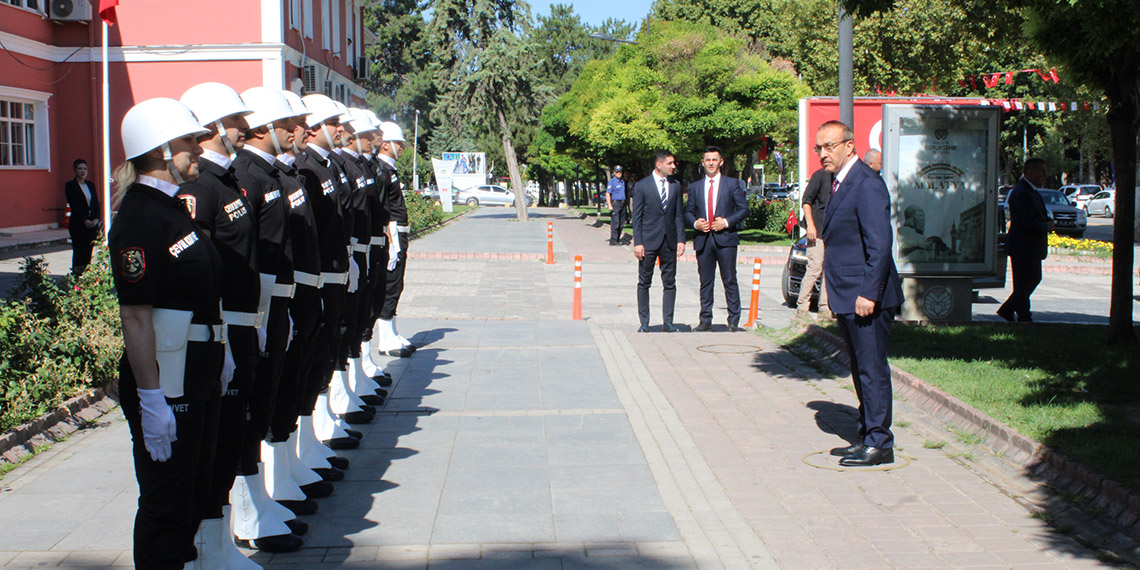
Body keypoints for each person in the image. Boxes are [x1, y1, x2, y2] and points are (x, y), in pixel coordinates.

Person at [108, 97, 224, 568]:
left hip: (193, 371)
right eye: (189, 141)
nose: (198, 148)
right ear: (160, 150)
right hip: (166, 383)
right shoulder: (138, 217)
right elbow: (135, 315)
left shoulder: (173, 208)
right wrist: (152, 400)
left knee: (190, 497)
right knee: (166, 506)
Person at [176, 81, 266, 567]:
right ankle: (209, 546)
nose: (243, 130)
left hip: (240, 322)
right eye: (235, 122)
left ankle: (220, 541)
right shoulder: (198, 189)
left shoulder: (227, 180)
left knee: (232, 434)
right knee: (217, 443)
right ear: (213, 127)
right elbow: (202, 268)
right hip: (220, 326)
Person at [815, 120, 903, 467]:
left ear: (849, 146)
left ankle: (880, 442)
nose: (823, 154)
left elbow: (880, 245)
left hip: (867, 296)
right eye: (819, 148)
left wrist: (869, 293)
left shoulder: (866, 183)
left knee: (872, 369)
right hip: (849, 294)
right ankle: (867, 433)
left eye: (829, 146)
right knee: (860, 368)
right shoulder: (841, 182)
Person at [684, 146, 748, 331]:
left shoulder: (731, 184)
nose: (711, 163)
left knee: (729, 279)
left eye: (714, 159)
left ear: (721, 162)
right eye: (707, 160)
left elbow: (743, 209)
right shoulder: (695, 186)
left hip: (725, 239)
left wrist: (726, 222)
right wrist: (696, 223)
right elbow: (688, 212)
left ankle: (734, 320)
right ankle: (705, 320)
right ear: (702, 163)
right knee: (705, 281)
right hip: (703, 239)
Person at [374, 121, 416, 357]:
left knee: (396, 283)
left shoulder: (389, 170)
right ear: (386, 144)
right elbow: (384, 210)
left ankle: (392, 332)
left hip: (398, 233)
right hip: (392, 234)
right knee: (390, 284)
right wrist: (390, 242)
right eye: (398, 143)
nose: (402, 148)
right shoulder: (381, 170)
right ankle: (385, 338)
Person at [632, 150, 685, 333]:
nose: (673, 166)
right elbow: (636, 217)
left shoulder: (676, 185)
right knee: (644, 281)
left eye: (673, 163)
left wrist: (681, 239)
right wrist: (638, 242)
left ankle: (668, 322)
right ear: (659, 165)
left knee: (669, 282)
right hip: (648, 241)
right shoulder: (642, 186)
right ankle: (644, 322)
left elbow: (679, 214)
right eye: (670, 163)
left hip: (669, 240)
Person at [998, 158, 1051, 322]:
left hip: (1031, 247)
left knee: (1031, 280)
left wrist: (1047, 221)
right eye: (1041, 171)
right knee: (1024, 282)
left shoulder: (1031, 191)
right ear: (1031, 172)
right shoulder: (1022, 192)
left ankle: (1013, 310)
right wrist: (1046, 226)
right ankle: (1021, 314)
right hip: (1024, 246)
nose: (1044, 175)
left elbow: (1039, 214)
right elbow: (1028, 221)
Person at [797, 167, 832, 319]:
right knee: (814, 268)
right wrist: (810, 225)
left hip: (833, 232)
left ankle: (825, 308)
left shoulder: (843, 176)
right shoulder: (820, 175)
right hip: (817, 230)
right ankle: (802, 307)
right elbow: (806, 201)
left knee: (828, 271)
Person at [64, 158, 101, 274]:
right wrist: (84, 220)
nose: (82, 171)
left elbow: (95, 203)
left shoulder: (90, 185)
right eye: (80, 169)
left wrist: (96, 218)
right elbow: (74, 204)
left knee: (88, 252)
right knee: (79, 251)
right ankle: (77, 277)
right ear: (75, 170)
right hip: (78, 224)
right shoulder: (70, 185)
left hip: (91, 225)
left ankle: (86, 277)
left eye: (85, 168)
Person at [605, 165, 627, 245]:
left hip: (622, 203)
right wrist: (610, 205)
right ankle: (613, 240)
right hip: (615, 203)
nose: (619, 173)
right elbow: (608, 193)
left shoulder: (622, 181)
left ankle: (617, 239)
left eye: (620, 172)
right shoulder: (612, 182)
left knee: (621, 223)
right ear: (614, 173)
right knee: (615, 223)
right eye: (617, 172)